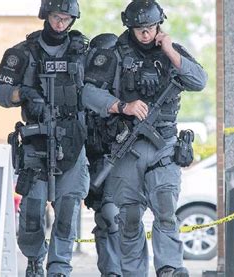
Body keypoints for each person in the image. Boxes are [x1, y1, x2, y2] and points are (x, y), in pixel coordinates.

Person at [81, 0, 207, 276]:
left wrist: (171, 51)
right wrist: (122, 106)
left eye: (150, 27)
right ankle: (134, 272)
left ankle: (170, 268)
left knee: (165, 210)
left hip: (164, 145)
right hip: (127, 148)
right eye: (140, 29)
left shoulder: (170, 51)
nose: (146, 33)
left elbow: (199, 81)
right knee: (129, 218)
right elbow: (88, 94)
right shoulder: (113, 54)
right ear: (130, 27)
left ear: (159, 25)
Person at [0, 0, 89, 276]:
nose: (61, 23)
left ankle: (59, 267)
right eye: (57, 17)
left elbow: (101, 88)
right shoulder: (22, 53)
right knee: (32, 211)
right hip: (36, 139)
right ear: (46, 16)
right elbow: (1, 95)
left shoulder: (83, 51)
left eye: (67, 18)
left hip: (72, 139)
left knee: (68, 209)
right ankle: (34, 259)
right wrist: (24, 94)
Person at [84, 33, 122, 277]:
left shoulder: (123, 91)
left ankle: (118, 271)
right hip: (92, 163)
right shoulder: (87, 88)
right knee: (103, 219)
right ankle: (110, 271)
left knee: (113, 217)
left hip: (117, 163)